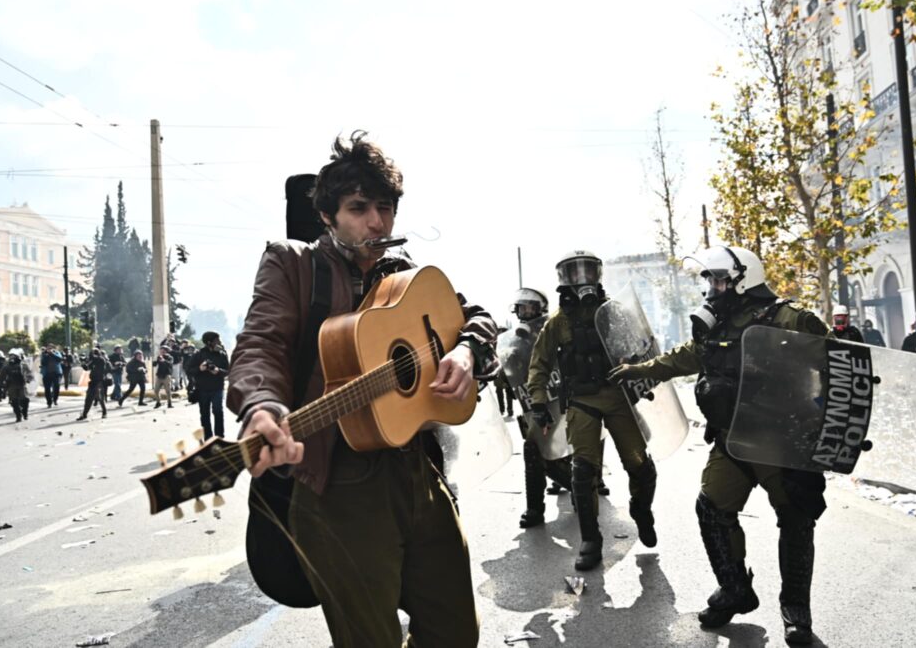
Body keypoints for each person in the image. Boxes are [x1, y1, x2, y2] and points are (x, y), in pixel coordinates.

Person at [227, 131, 498, 647]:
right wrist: (262, 407)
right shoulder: (293, 265)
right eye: (358, 208)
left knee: (457, 633)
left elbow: (476, 318)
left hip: (418, 471)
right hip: (337, 486)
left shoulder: (406, 274)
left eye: (386, 207)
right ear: (328, 215)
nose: (377, 222)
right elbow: (260, 344)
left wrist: (466, 351)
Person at [609, 246, 829, 645]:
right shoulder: (718, 325)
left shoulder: (789, 318)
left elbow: (838, 364)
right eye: (709, 279)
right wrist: (639, 370)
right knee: (711, 509)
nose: (713, 287)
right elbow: (686, 357)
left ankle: (796, 611)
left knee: (796, 519)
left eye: (719, 279)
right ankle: (735, 590)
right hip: (733, 440)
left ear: (744, 278)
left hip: (781, 444)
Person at [527, 250, 658, 572]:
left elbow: (640, 346)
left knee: (639, 464)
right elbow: (538, 365)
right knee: (583, 471)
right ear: (564, 280)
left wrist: (647, 377)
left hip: (618, 397)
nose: (582, 278)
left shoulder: (615, 312)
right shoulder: (558, 322)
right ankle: (590, 540)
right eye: (574, 273)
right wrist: (538, 401)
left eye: (588, 270)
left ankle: (642, 510)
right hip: (582, 400)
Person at [494, 287, 573, 529]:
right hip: (534, 401)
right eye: (522, 307)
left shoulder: (555, 329)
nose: (526, 312)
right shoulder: (513, 339)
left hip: (562, 396)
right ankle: (535, 508)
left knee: (572, 448)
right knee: (533, 450)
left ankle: (583, 486)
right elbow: (509, 371)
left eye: (530, 307)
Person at [189, 332, 229, 438]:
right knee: (204, 414)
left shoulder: (222, 354)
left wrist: (218, 370)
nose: (219, 342)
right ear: (209, 342)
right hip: (202, 389)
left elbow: (228, 371)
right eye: (217, 341)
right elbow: (189, 369)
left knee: (218, 412)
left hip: (217, 388)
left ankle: (220, 437)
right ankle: (208, 439)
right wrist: (200, 369)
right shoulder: (199, 354)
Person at [77, 348, 109, 421]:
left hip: (99, 381)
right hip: (93, 382)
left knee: (100, 398)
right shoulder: (93, 361)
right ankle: (84, 414)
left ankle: (104, 412)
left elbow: (97, 359)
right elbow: (87, 368)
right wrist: (82, 362)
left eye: (95, 353)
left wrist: (91, 356)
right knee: (89, 398)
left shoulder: (101, 360)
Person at [2, 350, 32, 422]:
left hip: (22, 384)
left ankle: (24, 412)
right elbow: (1, 376)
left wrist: (28, 378)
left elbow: (29, 373)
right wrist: (0, 386)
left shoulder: (23, 365)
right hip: (11, 385)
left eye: (14, 356)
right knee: (14, 401)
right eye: (11, 356)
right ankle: (18, 416)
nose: (12, 358)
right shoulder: (7, 366)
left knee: (25, 400)